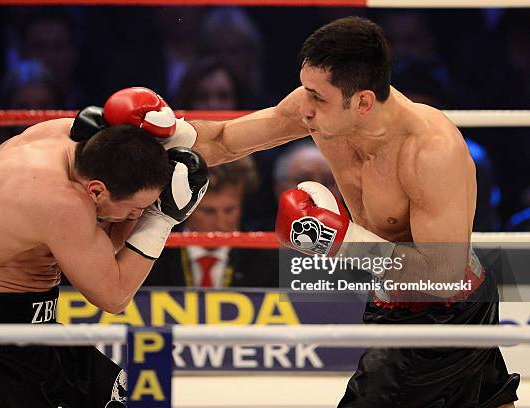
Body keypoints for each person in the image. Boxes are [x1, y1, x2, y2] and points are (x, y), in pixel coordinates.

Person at [166, 16, 518, 408]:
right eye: (306, 89)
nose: (306, 106)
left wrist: (343, 243)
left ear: (363, 101)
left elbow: (441, 274)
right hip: (396, 297)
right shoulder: (320, 111)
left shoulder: (430, 152)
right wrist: (165, 138)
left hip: (445, 310)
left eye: (318, 97)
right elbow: (227, 140)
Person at [0, 87, 209, 407]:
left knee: (128, 401)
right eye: (138, 206)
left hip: (42, 333)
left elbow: (105, 246)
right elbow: (114, 296)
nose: (139, 213)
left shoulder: (82, 157)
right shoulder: (58, 197)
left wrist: (280, 120)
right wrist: (162, 219)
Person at [146, 157, 279, 288]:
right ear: (185, 207)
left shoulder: (269, 259)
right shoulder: (152, 255)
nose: (221, 223)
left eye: (229, 210)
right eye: (208, 211)